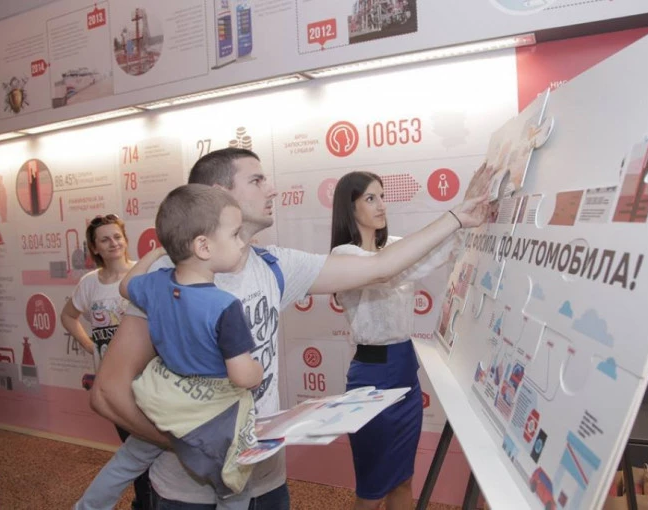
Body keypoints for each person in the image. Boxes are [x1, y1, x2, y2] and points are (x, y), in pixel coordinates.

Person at [90, 148, 486, 509]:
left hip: (267, 483)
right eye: (257, 180)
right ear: (218, 194)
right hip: (188, 496)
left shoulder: (276, 265)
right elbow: (107, 393)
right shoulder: (166, 279)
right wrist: (192, 444)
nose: (273, 189)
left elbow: (381, 267)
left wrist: (456, 218)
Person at [76, 185, 262, 510]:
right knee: (235, 485)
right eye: (235, 234)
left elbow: (125, 286)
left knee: (128, 460)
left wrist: (158, 252)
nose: (242, 242)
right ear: (203, 246)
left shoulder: (157, 284)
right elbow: (243, 376)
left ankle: (87, 507)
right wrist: (257, 370)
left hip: (162, 401)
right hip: (207, 413)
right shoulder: (225, 306)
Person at [330, 171, 475, 510]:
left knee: (403, 479)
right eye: (370, 198)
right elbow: (393, 270)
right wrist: (453, 220)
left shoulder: (394, 246)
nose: (381, 205)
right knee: (372, 489)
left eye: (382, 196)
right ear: (349, 207)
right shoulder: (343, 255)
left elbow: (437, 254)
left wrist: (470, 215)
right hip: (371, 378)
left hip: (406, 374)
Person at [60, 214, 151, 510]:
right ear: (95, 247)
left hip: (148, 379)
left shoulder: (142, 273)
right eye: (105, 239)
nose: (113, 243)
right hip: (113, 385)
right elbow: (68, 316)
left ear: (125, 239)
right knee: (134, 449)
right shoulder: (89, 284)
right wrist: (90, 346)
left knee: (147, 451)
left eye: (117, 236)